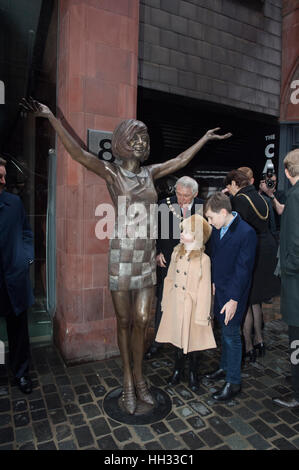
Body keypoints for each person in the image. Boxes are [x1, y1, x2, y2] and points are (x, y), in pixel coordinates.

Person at [20, 97, 232, 415]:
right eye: (133, 137)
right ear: (121, 142)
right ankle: (129, 384)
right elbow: (77, 152)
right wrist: (51, 117)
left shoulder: (150, 174)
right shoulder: (111, 172)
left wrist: (203, 138)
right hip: (121, 255)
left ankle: (141, 381)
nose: (139, 142)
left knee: (143, 320)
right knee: (124, 321)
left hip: (145, 257)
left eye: (143, 138)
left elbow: (179, 160)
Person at [204, 192, 257, 401]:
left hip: (234, 293)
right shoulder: (219, 228)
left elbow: (243, 270)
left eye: (210, 217)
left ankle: (234, 382)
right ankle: (224, 368)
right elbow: (216, 257)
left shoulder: (246, 233)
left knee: (232, 335)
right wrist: (213, 282)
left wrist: (234, 299)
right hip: (220, 289)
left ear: (224, 212)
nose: (209, 222)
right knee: (224, 332)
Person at [145, 176, 204, 360]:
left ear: (194, 194)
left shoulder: (201, 206)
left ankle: (185, 341)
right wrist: (157, 252)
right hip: (168, 263)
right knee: (164, 300)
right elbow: (155, 232)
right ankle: (158, 341)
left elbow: (205, 237)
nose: (180, 199)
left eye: (185, 196)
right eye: (178, 193)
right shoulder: (165, 204)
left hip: (191, 265)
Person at [155, 214, 216, 391]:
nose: (182, 234)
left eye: (187, 232)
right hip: (176, 303)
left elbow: (205, 289)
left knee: (194, 342)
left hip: (194, 307)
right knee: (177, 340)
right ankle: (177, 370)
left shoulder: (204, 259)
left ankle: (193, 373)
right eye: (183, 231)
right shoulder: (176, 252)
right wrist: (166, 302)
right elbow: (169, 278)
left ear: (197, 236)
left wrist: (203, 314)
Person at [225, 169, 280, 362]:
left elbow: (236, 231)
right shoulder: (260, 198)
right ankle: (260, 339)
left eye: (229, 186)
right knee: (255, 299)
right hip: (266, 249)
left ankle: (248, 346)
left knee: (246, 299)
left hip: (252, 250)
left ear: (234, 183)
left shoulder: (240, 200)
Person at [0, 157, 34, 394]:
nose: (4, 181)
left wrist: (26, 258)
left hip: (14, 277)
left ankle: (21, 374)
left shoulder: (14, 203)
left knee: (19, 331)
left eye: (4, 176)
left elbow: (26, 232)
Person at [272, 149, 299, 409]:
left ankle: (297, 392)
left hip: (296, 281)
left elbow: (295, 240)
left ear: (287, 171)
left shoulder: (296, 194)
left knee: (296, 337)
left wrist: (290, 269)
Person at [259, 172, 286, 242]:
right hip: (263, 232)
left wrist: (270, 194)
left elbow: (280, 211)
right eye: (268, 181)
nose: (271, 183)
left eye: (273, 181)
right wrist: (260, 190)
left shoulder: (281, 194)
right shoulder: (260, 194)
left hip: (277, 232)